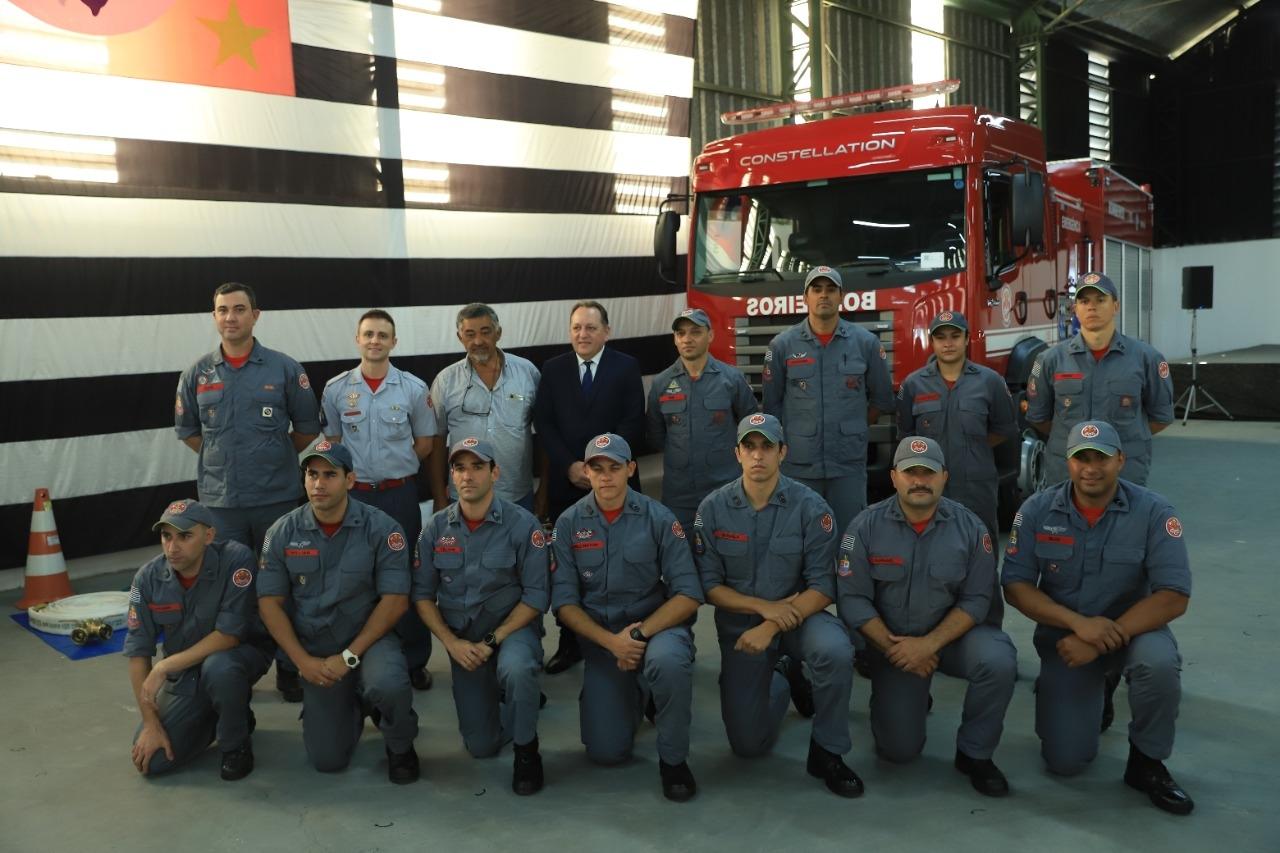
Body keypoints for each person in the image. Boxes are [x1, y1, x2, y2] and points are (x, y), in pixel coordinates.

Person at [1002, 420, 1194, 815]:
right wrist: (1078, 625)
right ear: (1067, 462)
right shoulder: (1037, 510)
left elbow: (1173, 596)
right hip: (1067, 641)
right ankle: (1097, 688)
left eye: (1102, 458)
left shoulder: (1154, 512)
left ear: (1121, 460)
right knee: (1065, 763)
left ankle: (1147, 763)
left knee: (1158, 664)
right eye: (1081, 458)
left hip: (1135, 630)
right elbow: (1017, 586)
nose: (1091, 468)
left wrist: (1107, 634)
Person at [694, 413, 863, 798]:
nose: (758, 456)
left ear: (782, 452)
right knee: (748, 746)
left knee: (835, 650)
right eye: (749, 447)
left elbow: (824, 586)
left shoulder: (811, 508)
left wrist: (772, 623)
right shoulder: (713, 509)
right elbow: (709, 586)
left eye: (767, 446)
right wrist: (761, 608)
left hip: (801, 616)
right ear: (736, 453)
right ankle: (784, 677)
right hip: (741, 627)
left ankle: (828, 751)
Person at [837, 436, 1017, 797]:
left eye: (928, 473)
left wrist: (930, 644)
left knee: (998, 658)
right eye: (910, 472)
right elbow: (853, 599)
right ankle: (897, 696)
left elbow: (978, 599)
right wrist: (894, 649)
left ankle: (975, 753)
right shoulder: (864, 527)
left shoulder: (971, 528)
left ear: (944, 477)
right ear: (894, 477)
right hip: (894, 643)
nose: (919, 480)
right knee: (899, 752)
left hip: (952, 640)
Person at [174, 281, 322, 703]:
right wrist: (225, 459)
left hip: (277, 500)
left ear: (256, 315)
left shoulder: (285, 369)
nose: (231, 317)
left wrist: (271, 455)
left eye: (239, 309)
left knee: (286, 584)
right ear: (214, 316)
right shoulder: (197, 374)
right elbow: (189, 432)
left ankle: (290, 669)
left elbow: (307, 427)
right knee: (231, 589)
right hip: (221, 507)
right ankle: (233, 671)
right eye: (223, 310)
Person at [551, 433, 703, 801]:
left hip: (656, 630)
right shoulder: (569, 524)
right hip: (603, 640)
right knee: (606, 752)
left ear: (631, 469)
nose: (605, 477)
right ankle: (636, 693)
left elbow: (688, 594)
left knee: (667, 663)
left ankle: (674, 761)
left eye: (614, 468)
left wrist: (638, 637)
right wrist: (612, 643)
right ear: (586, 472)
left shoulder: (659, 518)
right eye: (596, 468)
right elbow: (565, 604)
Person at [257, 440, 420, 783]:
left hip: (370, 640)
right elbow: (269, 603)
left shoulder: (382, 528)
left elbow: (395, 601)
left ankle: (400, 745)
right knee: (327, 760)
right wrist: (302, 661)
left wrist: (349, 657)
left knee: (388, 684)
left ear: (350, 480)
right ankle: (355, 704)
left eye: (330, 475)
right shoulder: (283, 532)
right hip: (317, 648)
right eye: (312, 474)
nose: (318, 484)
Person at [413, 438, 549, 795]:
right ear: (451, 477)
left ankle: (526, 750)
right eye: (459, 468)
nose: (468, 476)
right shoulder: (435, 529)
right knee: (481, 746)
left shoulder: (524, 525)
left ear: (495, 472)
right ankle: (516, 701)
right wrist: (451, 643)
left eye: (477, 467)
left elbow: (536, 597)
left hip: (512, 631)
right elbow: (423, 596)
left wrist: (493, 641)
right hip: (464, 641)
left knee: (517, 669)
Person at [321, 309, 436, 692]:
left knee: (406, 574)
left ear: (394, 342)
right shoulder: (336, 389)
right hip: (353, 498)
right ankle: (358, 654)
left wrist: (395, 469)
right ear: (357, 339)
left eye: (382, 335)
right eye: (368, 334)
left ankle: (414, 659)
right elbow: (334, 444)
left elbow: (425, 444)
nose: (375, 341)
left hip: (399, 495)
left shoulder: (413, 389)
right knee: (354, 575)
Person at [534, 300, 646, 674]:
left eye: (591, 328)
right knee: (571, 566)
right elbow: (545, 424)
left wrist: (605, 465)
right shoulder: (552, 370)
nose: (583, 334)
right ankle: (571, 643)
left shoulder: (626, 367)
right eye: (577, 327)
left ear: (607, 332)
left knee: (624, 560)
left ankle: (632, 634)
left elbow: (633, 421)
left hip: (616, 482)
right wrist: (571, 465)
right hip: (569, 485)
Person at [124, 499, 273, 780]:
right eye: (166, 536)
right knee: (153, 761)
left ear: (209, 536)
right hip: (187, 673)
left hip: (238, 656)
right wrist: (150, 722)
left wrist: (164, 667)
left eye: (185, 536)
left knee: (219, 668)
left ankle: (235, 745)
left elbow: (229, 636)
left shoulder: (237, 560)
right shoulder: (147, 579)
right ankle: (230, 713)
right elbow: (137, 652)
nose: (172, 547)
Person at [897, 311, 1019, 623]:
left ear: (967, 339)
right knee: (929, 557)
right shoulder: (913, 385)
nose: (948, 343)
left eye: (955, 336)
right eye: (941, 336)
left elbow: (1004, 430)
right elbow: (907, 439)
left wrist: (971, 448)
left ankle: (989, 628)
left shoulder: (990, 382)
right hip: (928, 490)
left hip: (975, 484)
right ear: (931, 341)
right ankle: (933, 627)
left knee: (983, 554)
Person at [761, 266, 894, 528]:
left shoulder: (866, 344)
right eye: (817, 289)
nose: (824, 295)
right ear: (805, 297)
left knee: (849, 540)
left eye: (831, 289)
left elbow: (882, 399)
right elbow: (772, 407)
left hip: (847, 466)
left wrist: (853, 425)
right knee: (799, 541)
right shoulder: (782, 346)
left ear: (841, 296)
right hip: (799, 467)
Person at [1027, 272, 1174, 488]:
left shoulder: (1147, 359)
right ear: (1074, 309)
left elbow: (1160, 417)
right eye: (1084, 301)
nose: (1091, 307)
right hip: (1066, 471)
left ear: (1116, 306)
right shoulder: (1050, 360)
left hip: (1124, 471)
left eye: (1100, 300)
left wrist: (1123, 438)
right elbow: (1039, 417)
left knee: (1125, 521)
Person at [646, 308, 758, 530]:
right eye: (681, 333)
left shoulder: (731, 379)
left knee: (729, 552)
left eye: (695, 332)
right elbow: (656, 437)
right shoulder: (661, 384)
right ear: (675, 340)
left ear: (710, 335)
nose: (687, 339)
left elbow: (751, 429)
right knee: (679, 557)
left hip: (725, 487)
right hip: (679, 494)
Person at [428, 303, 542, 513]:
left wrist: (543, 493)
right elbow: (436, 442)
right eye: (469, 334)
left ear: (498, 333)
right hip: (463, 496)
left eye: (485, 332)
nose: (478, 341)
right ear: (459, 337)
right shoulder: (445, 382)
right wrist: (438, 497)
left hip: (517, 495)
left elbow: (546, 433)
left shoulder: (527, 373)